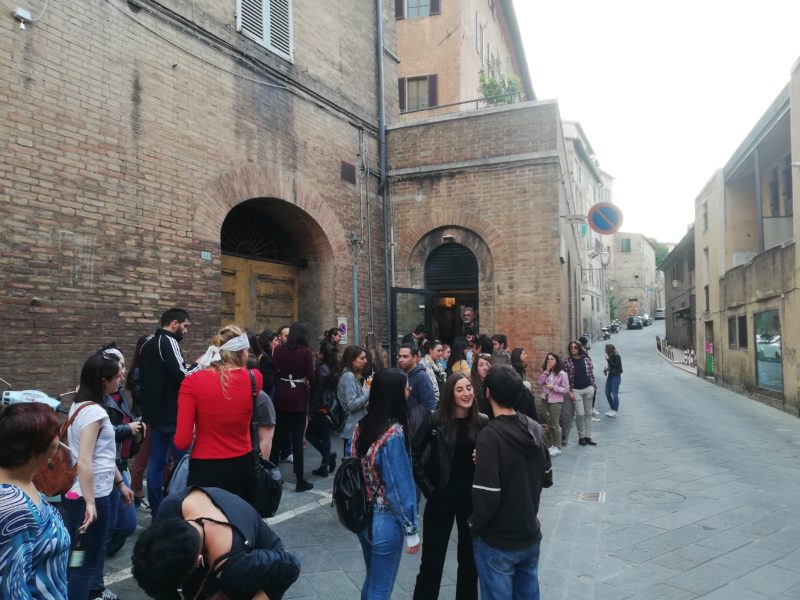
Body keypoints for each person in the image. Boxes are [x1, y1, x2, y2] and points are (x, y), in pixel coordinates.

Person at [132, 486, 300, 600]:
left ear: (198, 561)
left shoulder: (237, 568)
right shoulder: (170, 508)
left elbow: (291, 567)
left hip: (256, 572)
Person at [471, 365, 552, 600]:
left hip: (498, 539)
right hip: (529, 532)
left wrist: (475, 525)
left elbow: (487, 496)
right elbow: (547, 476)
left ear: (488, 393)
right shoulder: (534, 427)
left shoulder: (489, 436)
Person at [411, 373, 488, 600]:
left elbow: (495, 457)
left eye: (469, 388)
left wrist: (484, 457)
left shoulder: (483, 421)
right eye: (460, 389)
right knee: (431, 563)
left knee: (469, 564)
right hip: (441, 498)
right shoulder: (435, 419)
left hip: (471, 501)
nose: (466, 393)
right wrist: (429, 491)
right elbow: (414, 455)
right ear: (450, 394)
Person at [64, 353, 134, 600]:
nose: (121, 379)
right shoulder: (95, 413)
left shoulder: (79, 406)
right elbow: (85, 459)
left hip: (80, 493)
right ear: (103, 381)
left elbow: (101, 455)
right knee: (85, 566)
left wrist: (120, 483)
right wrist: (91, 503)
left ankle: (89, 592)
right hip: (92, 495)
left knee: (78, 559)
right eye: (117, 376)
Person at [352, 369, 420, 599]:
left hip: (364, 514)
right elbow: (399, 487)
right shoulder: (394, 434)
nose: (409, 390)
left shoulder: (362, 426)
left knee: (373, 581)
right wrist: (411, 529)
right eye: (405, 387)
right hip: (386, 518)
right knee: (380, 589)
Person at [175, 325, 261, 502]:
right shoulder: (255, 378)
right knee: (239, 515)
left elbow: (182, 441)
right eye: (247, 351)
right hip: (243, 463)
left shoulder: (192, 382)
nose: (248, 355)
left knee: (207, 517)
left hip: (205, 466)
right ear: (240, 353)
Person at [0, 403, 70, 600]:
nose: (58, 438)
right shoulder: (11, 506)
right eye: (54, 433)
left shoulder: (22, 480)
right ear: (34, 450)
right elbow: (10, 590)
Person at [138, 308, 200, 514]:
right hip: (173, 415)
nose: (186, 331)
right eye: (185, 326)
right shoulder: (169, 341)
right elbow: (182, 375)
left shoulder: (147, 344)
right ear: (174, 324)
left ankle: (158, 510)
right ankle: (180, 509)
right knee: (183, 463)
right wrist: (200, 365)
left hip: (154, 415)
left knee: (156, 463)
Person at [98, 345, 142, 560]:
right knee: (111, 523)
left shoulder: (120, 393)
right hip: (108, 468)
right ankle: (97, 559)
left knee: (127, 523)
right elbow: (102, 435)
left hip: (120, 464)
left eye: (123, 366)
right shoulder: (96, 401)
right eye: (119, 368)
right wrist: (127, 429)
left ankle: (102, 554)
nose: (123, 373)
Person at [269, 322, 316, 492]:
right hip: (298, 397)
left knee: (278, 437)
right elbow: (311, 375)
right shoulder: (305, 352)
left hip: (282, 394)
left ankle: (271, 473)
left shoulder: (279, 350)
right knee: (297, 439)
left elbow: (275, 370)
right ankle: (300, 479)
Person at [306, 341, 339, 477]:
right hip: (331, 407)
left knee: (309, 434)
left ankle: (327, 457)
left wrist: (311, 412)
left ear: (322, 354)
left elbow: (317, 391)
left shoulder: (321, 370)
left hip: (322, 407)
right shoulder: (335, 368)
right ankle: (325, 463)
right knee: (325, 436)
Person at [337, 345, 370, 457]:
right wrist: (370, 392)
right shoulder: (348, 376)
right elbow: (351, 405)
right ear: (352, 360)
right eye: (362, 358)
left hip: (355, 428)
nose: (365, 361)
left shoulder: (352, 375)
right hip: (352, 430)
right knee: (351, 462)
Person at [397, 344, 437, 436]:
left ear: (415, 357)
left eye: (405, 356)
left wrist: (422, 431)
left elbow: (430, 405)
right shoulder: (405, 375)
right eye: (399, 356)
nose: (401, 359)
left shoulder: (422, 377)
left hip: (418, 430)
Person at [563, 340, 597, 446]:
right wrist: (569, 391)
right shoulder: (567, 361)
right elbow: (565, 378)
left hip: (588, 389)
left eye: (575, 347)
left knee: (588, 413)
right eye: (571, 347)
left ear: (579, 348)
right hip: (576, 391)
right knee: (580, 414)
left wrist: (593, 386)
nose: (573, 349)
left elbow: (591, 374)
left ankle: (588, 436)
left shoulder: (586, 359)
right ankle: (581, 437)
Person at [537, 353, 570, 456]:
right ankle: (552, 445)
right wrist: (546, 371)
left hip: (555, 401)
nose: (549, 361)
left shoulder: (562, 374)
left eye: (552, 359)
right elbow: (540, 382)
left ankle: (558, 446)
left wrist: (554, 387)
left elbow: (566, 389)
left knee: (555, 424)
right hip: (545, 399)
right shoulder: (547, 372)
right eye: (548, 359)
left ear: (556, 361)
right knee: (549, 423)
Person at [257, 329, 279, 397]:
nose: (278, 343)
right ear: (269, 342)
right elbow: (268, 379)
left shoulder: (268, 354)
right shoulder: (265, 357)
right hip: (268, 391)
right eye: (276, 340)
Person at [470, 352, 493, 417]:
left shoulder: (495, 384)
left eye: (487, 365)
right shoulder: (471, 386)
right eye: (481, 365)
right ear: (476, 368)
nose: (485, 368)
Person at [604, 344, 623, 417]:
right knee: (607, 393)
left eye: (606, 350)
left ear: (609, 350)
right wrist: (606, 369)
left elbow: (616, 365)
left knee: (614, 394)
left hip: (616, 376)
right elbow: (611, 366)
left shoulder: (617, 355)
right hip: (610, 375)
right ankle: (612, 409)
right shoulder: (610, 355)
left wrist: (608, 360)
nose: (605, 351)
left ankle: (615, 410)